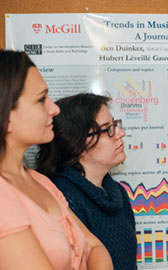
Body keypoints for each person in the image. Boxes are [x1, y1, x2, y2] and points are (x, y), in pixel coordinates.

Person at [0, 50, 113, 269]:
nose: (54, 108)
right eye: (41, 99)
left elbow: (94, 247)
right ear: (7, 117)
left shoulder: (40, 181)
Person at [36, 93, 137, 270]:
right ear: (77, 144)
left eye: (115, 124)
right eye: (107, 129)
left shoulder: (117, 193)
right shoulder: (61, 197)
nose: (121, 133)